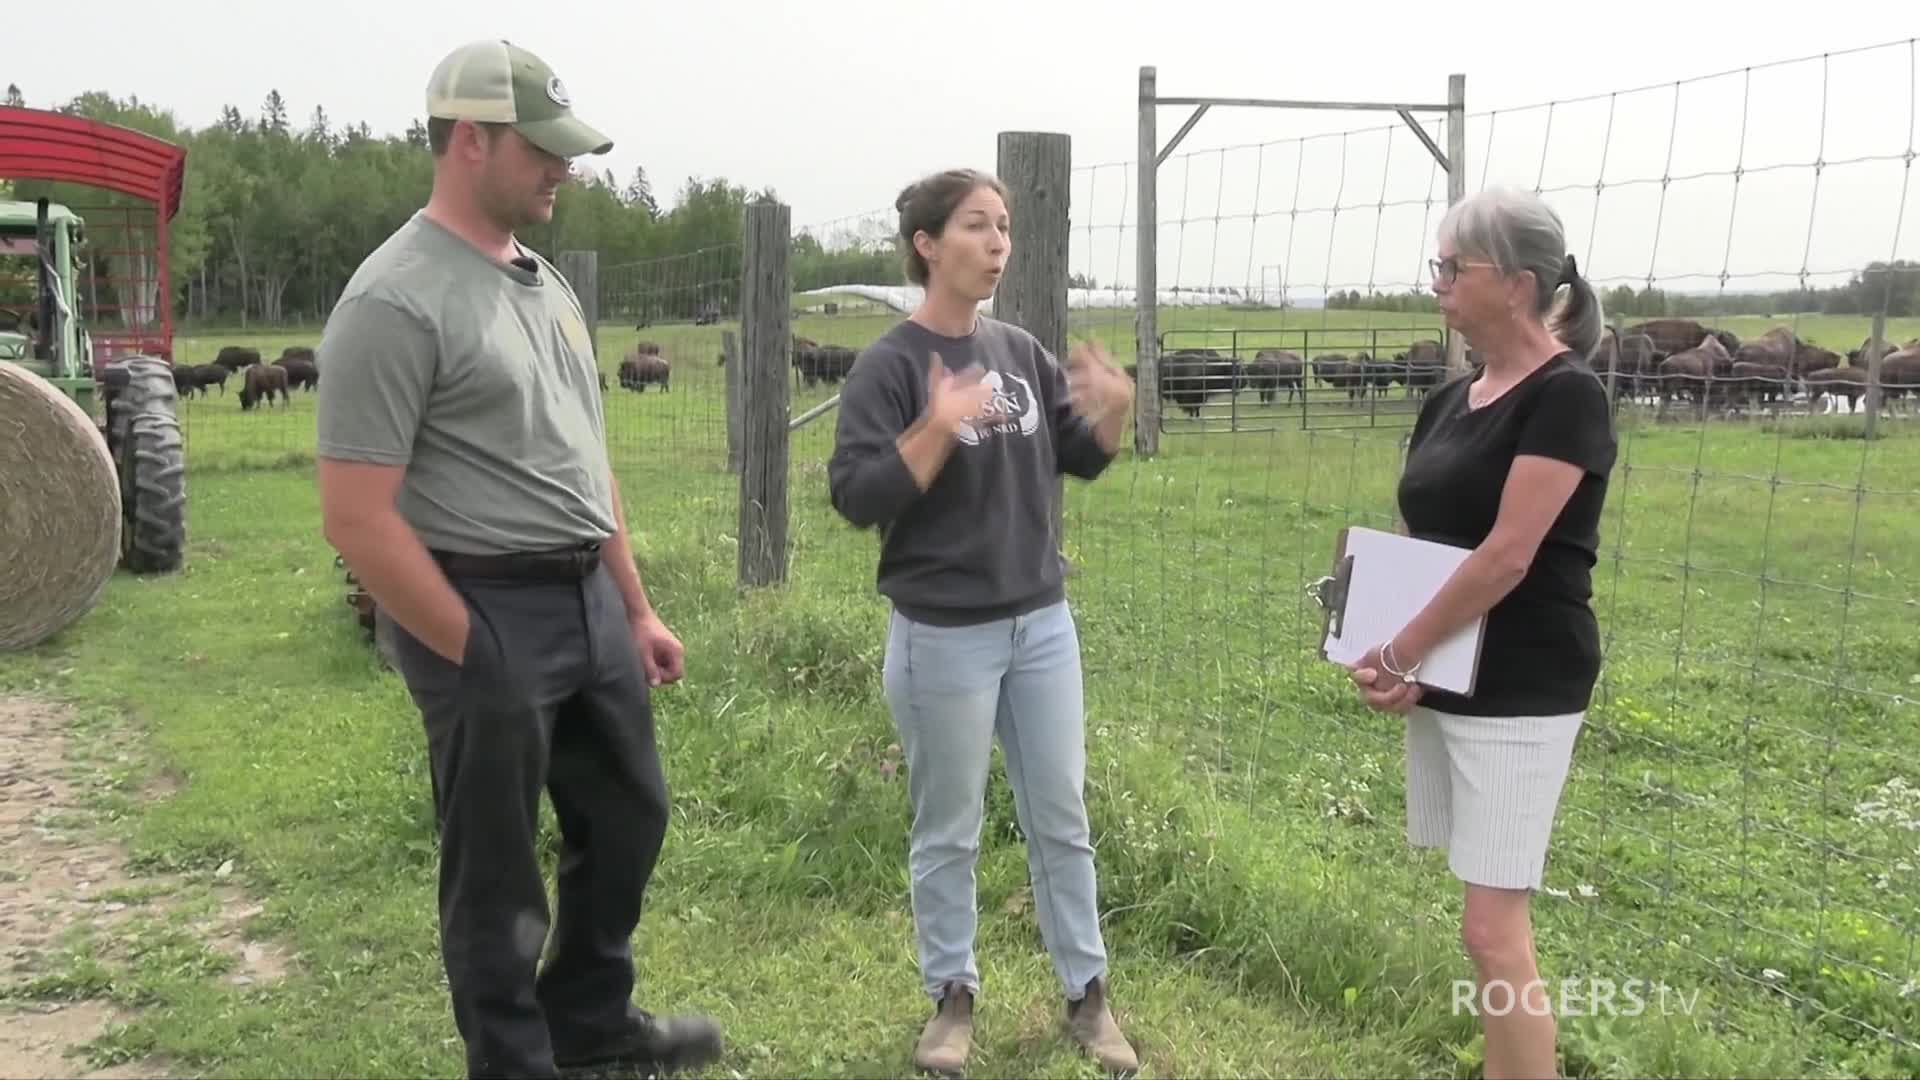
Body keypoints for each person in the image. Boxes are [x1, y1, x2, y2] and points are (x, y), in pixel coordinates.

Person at [314, 39, 723, 1080]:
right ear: (467, 142)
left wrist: (634, 608)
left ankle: (589, 1023)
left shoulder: (544, 286)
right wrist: (469, 646)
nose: (563, 169)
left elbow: (587, 465)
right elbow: (357, 516)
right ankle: (512, 1060)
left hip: (586, 598)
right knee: (495, 870)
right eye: (541, 149)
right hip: (480, 605)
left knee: (630, 813)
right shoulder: (392, 299)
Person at [825, 169, 1142, 1077]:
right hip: (943, 637)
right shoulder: (889, 366)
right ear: (928, 244)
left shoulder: (1020, 350)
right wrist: (935, 427)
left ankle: (1089, 998)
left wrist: (1113, 414)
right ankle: (951, 1000)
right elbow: (855, 496)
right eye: (977, 226)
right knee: (949, 828)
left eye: (1004, 226)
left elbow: (1079, 459)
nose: (999, 242)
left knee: (1061, 818)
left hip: (1041, 625)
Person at [1347, 185, 1616, 1080]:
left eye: (1450, 267)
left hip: (1525, 682)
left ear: (1515, 282)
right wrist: (1410, 659)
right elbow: (1431, 544)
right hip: (1455, 672)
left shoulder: (1566, 398)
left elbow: (1506, 557)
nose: (1436, 285)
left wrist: (1401, 649)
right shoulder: (1454, 398)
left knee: (1494, 933)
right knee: (1484, 928)